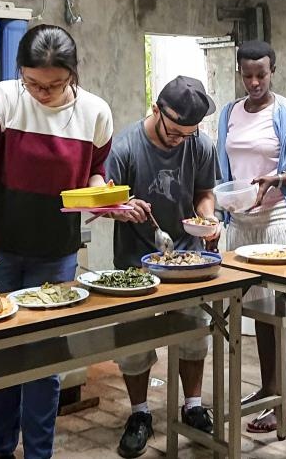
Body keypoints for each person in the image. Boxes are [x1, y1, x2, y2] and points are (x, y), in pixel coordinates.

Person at [0, 24, 114, 459]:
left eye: (54, 85)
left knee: (45, 363)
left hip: (56, 253)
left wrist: (100, 196)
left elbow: (97, 170)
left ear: (73, 75)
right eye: (33, 83)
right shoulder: (4, 98)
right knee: (0, 355)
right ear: (20, 74)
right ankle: (2, 450)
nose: (42, 93)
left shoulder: (95, 112)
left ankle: (39, 453)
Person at [104, 75, 221, 458]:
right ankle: (139, 414)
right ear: (156, 110)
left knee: (193, 332)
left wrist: (208, 219)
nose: (179, 141)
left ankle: (192, 406)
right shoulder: (124, 147)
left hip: (186, 257)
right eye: (174, 132)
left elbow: (205, 193)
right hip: (134, 263)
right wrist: (122, 209)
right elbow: (106, 204)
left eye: (188, 134)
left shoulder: (199, 145)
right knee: (134, 342)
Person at [215, 40, 286, 433]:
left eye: (261, 74)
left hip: (279, 222)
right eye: (247, 75)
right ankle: (268, 389)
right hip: (242, 225)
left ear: (273, 70)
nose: (255, 82)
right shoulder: (228, 113)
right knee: (259, 314)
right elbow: (221, 167)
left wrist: (281, 177)